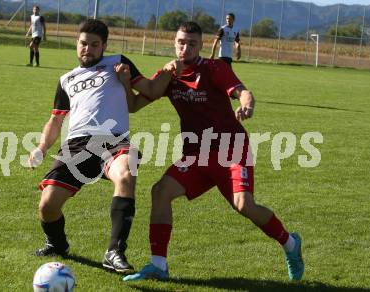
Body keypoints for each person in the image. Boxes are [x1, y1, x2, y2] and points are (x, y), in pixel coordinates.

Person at [122, 21, 304, 281]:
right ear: (174, 43)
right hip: (197, 153)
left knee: (244, 205)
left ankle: (290, 244)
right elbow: (134, 105)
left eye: (192, 43)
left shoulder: (215, 68)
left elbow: (243, 93)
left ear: (202, 45)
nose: (185, 48)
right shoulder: (168, 75)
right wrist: (123, 81)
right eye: (181, 42)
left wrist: (247, 106)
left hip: (231, 150)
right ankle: (158, 265)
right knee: (160, 191)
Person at [28, 19, 170, 274]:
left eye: (95, 45)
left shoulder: (119, 63)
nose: (88, 49)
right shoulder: (66, 79)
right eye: (84, 44)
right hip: (76, 145)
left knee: (126, 174)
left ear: (104, 46)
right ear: (77, 44)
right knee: (47, 207)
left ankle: (114, 251)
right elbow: (56, 119)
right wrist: (40, 148)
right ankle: (57, 244)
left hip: (114, 141)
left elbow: (149, 89)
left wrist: (167, 71)